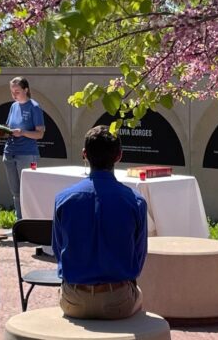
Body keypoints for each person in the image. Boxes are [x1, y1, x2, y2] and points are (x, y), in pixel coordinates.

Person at [52, 125, 147, 320]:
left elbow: (57, 248)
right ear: (119, 156)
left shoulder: (63, 199)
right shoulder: (135, 201)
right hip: (118, 299)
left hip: (73, 299)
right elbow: (138, 256)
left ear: (84, 155)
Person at [4, 77, 46, 219]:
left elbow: (40, 134)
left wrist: (22, 133)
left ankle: (30, 223)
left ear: (26, 90)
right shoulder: (13, 106)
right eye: (12, 92)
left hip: (27, 154)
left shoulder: (34, 107)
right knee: (15, 192)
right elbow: (9, 127)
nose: (13, 95)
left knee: (28, 190)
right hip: (10, 152)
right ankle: (19, 220)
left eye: (17, 91)